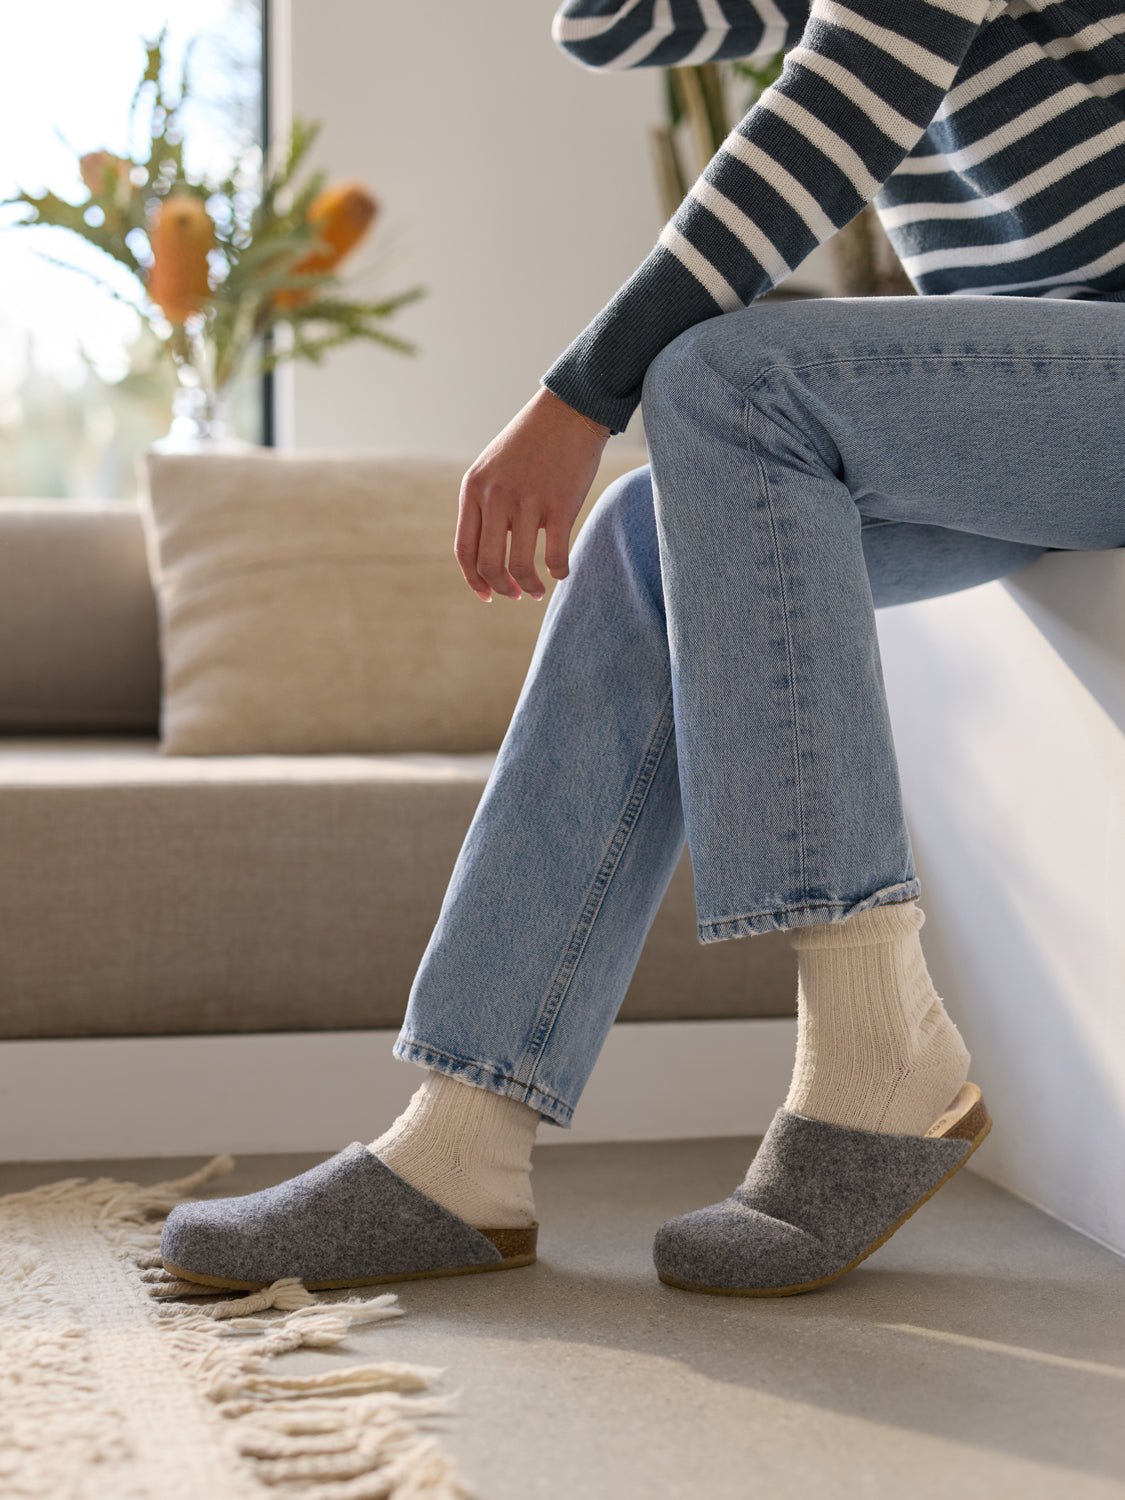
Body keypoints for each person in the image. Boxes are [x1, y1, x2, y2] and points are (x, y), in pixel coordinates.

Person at [160, 0, 1125, 1297]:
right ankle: (461, 1145)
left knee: (728, 378)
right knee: (644, 536)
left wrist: (577, 393)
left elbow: (837, 108)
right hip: (1040, 388)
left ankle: (871, 1051)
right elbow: (616, 28)